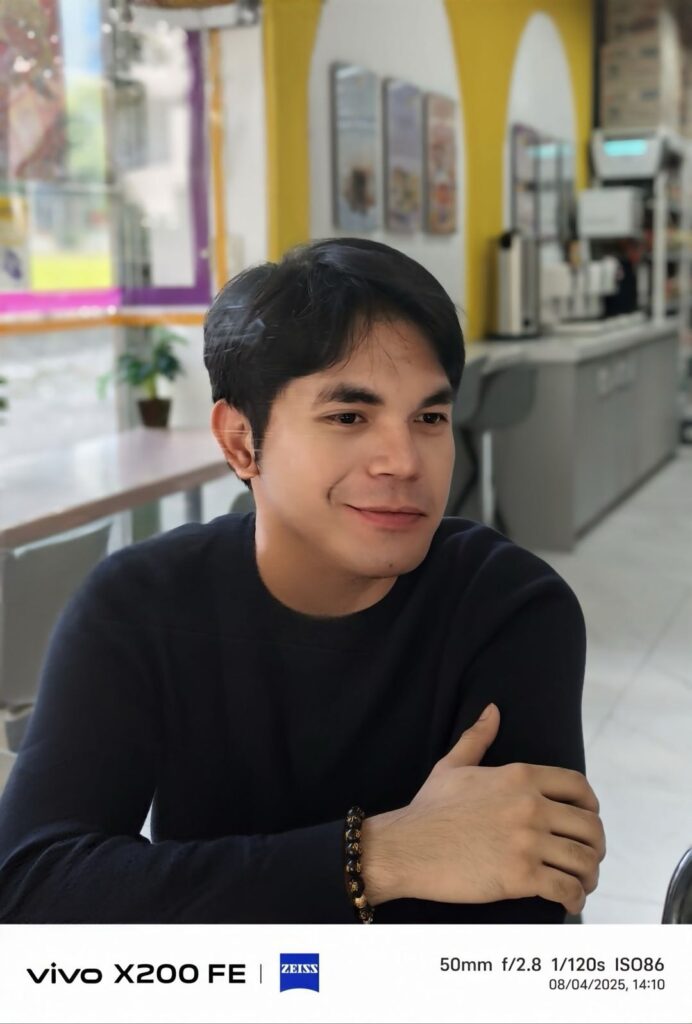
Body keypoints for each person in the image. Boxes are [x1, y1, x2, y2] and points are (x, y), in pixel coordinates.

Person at [0, 238, 605, 923]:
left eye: (429, 418)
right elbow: (33, 891)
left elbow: (514, 922)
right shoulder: (141, 605)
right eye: (349, 417)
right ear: (240, 441)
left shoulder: (511, 608)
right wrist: (380, 855)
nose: (405, 460)